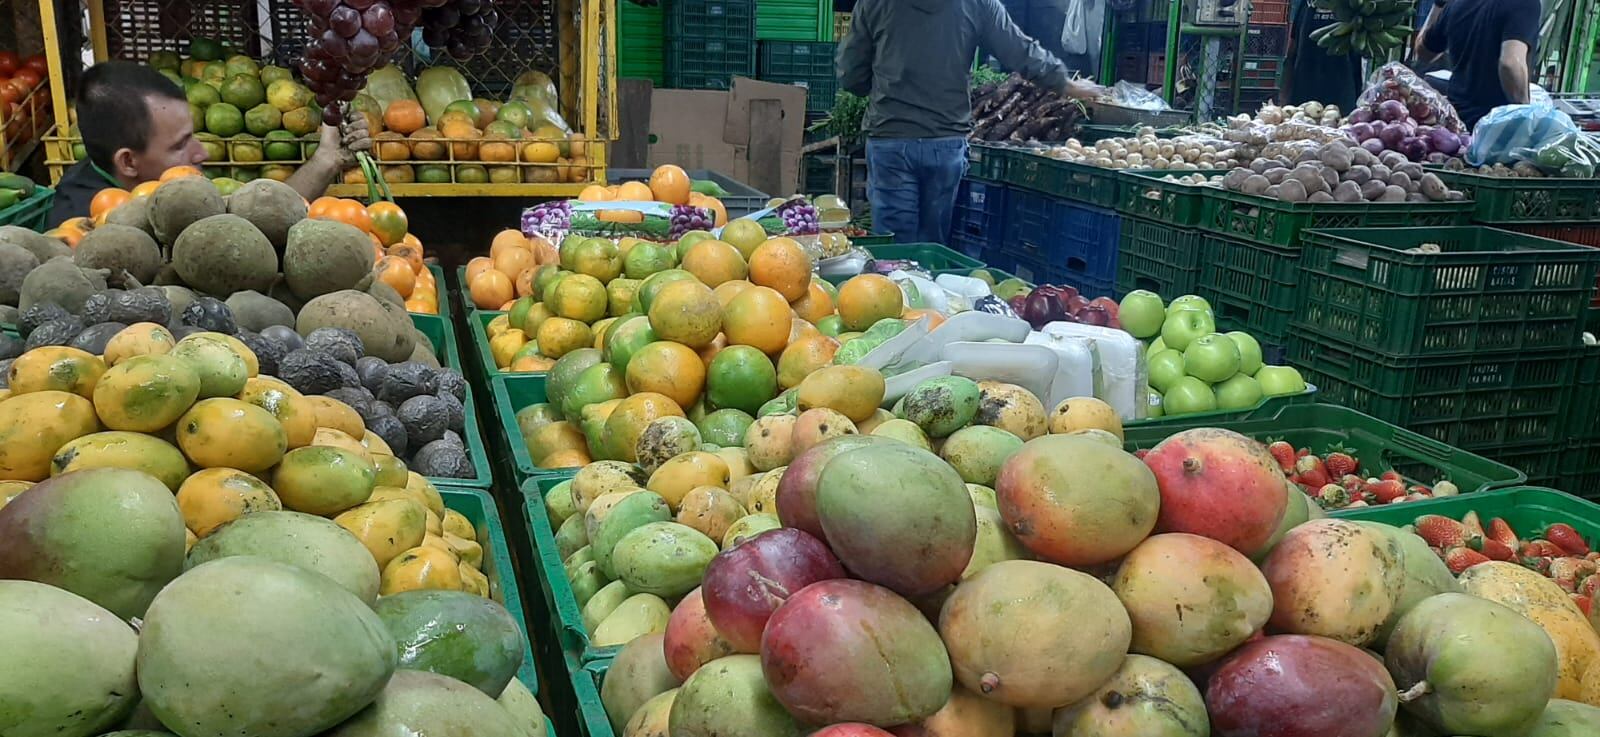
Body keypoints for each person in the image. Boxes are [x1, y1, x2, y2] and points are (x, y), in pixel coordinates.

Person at [837, 0, 1104, 245]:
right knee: (932, 245)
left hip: (891, 137)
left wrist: (876, 88)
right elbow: (1019, 51)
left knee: (893, 247)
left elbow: (850, 72)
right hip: (945, 142)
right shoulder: (977, 3)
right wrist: (1065, 84)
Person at [47, 61, 370, 228]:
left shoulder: (167, 185)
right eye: (180, 144)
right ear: (128, 162)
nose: (201, 152)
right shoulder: (85, 233)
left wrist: (328, 158)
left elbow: (253, 219)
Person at [1412, 0, 1539, 129]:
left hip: (1456, 125)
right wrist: (1525, 110)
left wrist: (1438, 5)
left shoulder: (1456, 4)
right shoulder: (1525, 3)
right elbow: (1510, 64)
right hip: (1496, 128)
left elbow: (1423, 53)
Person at [1283, 0, 1363, 111]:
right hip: (1303, 98)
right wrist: (1284, 99)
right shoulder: (1305, 5)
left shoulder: (1355, 5)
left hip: (1341, 98)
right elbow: (1292, 52)